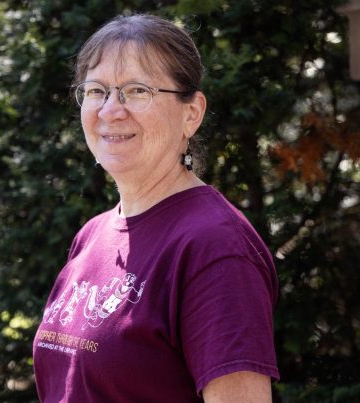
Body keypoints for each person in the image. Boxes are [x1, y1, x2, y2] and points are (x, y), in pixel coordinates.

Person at [32, 14, 279, 402]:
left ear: (191, 113)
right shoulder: (92, 235)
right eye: (97, 91)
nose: (111, 110)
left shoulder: (214, 246)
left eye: (136, 90)